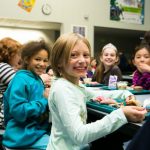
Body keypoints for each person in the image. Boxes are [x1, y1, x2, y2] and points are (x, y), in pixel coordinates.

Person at [46, 33, 146, 150]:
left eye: (86, 55)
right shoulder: (63, 89)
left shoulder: (73, 85)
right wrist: (121, 114)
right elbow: (79, 135)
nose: (82, 60)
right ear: (58, 61)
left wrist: (126, 94)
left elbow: (99, 94)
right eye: (73, 55)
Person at [2, 40, 51, 149]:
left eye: (45, 60)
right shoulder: (20, 80)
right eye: (37, 59)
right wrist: (44, 100)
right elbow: (19, 111)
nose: (42, 64)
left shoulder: (36, 79)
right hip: (22, 136)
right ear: (27, 59)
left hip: (35, 132)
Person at [0, 37, 22, 129]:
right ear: (10, 54)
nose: (20, 57)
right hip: (3, 117)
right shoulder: (3, 67)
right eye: (18, 54)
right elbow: (21, 85)